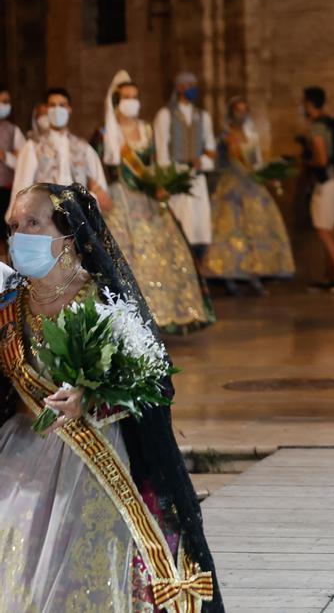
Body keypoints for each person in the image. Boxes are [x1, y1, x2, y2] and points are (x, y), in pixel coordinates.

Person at [0, 183, 222, 611]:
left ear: (68, 232)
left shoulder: (105, 298)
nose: (20, 234)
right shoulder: (10, 303)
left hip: (92, 456)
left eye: (33, 222)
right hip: (21, 448)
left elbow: (151, 381)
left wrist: (90, 398)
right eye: (13, 226)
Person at [99, 70, 214, 332]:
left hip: (147, 199)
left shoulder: (146, 129)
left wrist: (159, 186)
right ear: (116, 101)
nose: (132, 102)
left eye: (136, 97)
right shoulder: (106, 131)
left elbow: (152, 163)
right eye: (127, 97)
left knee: (162, 252)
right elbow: (100, 169)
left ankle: (163, 313)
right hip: (119, 201)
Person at [203, 96, 296, 295]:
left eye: (244, 110)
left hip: (252, 186)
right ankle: (229, 275)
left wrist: (267, 175)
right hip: (231, 186)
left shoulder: (251, 135)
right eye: (238, 110)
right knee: (230, 229)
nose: (241, 114)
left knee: (257, 228)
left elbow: (257, 161)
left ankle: (256, 273)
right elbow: (220, 163)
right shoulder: (224, 137)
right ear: (231, 113)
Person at [8, 87, 109, 219]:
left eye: (62, 105)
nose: (57, 110)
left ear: (69, 109)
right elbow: (21, 190)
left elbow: (101, 193)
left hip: (78, 219)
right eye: (52, 105)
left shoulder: (84, 148)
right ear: (47, 110)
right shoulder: (33, 147)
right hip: (45, 219)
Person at [155, 72, 217, 260]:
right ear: (179, 88)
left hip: (197, 177)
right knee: (182, 223)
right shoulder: (166, 115)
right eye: (189, 85)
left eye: (194, 84)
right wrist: (165, 180)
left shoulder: (202, 116)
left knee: (200, 227)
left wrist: (202, 161)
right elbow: (161, 150)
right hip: (176, 177)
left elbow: (211, 148)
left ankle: (198, 266)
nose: (192, 88)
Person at [302, 85, 334, 291]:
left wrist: (305, 162)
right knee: (326, 228)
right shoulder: (329, 123)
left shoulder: (317, 127)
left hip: (327, 182)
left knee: (324, 230)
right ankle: (330, 276)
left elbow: (321, 159)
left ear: (308, 103)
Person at [0, 84, 28, 213]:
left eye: (7, 102)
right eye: (3, 101)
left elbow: (23, 162)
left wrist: (5, 156)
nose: (6, 105)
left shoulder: (12, 130)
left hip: (5, 191)